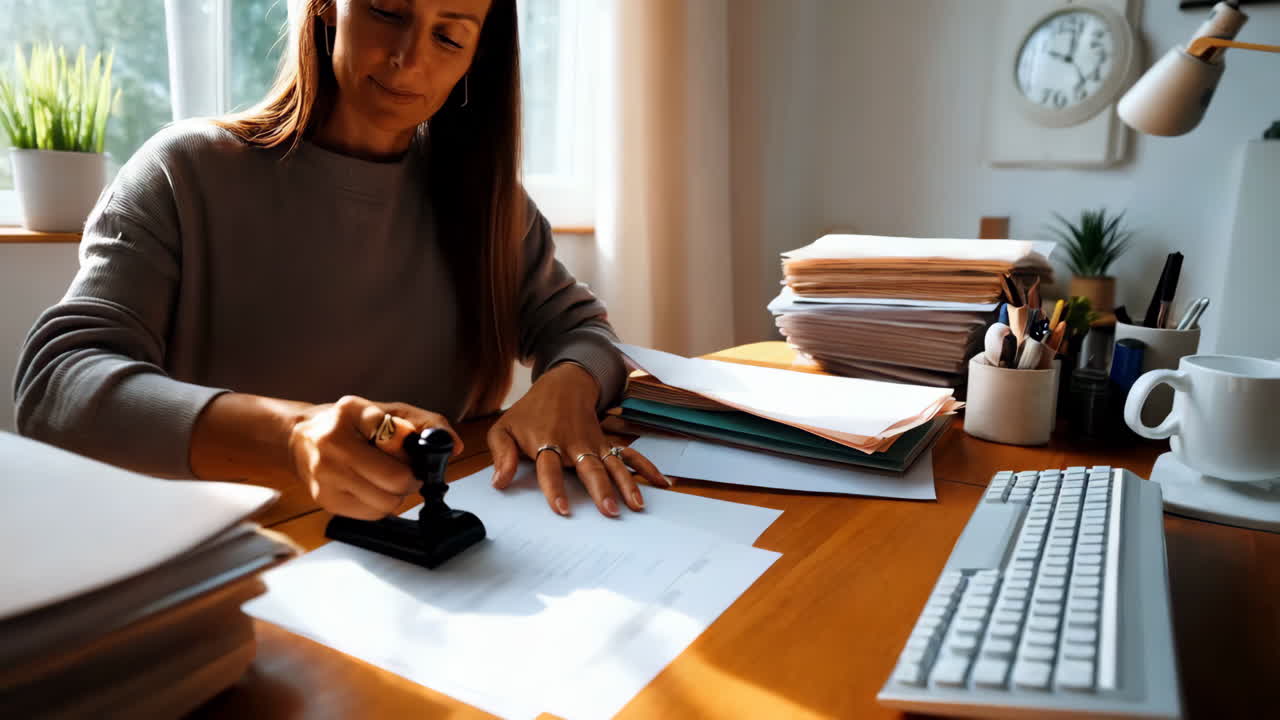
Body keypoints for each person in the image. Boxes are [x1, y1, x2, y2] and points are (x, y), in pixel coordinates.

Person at [13, 0, 667, 520]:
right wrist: (292, 437)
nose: (409, 59)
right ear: (329, 5)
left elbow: (585, 333)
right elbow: (55, 385)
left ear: (476, 57)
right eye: (387, 11)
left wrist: (564, 388)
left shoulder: (488, 203)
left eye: (450, 36)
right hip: (247, 564)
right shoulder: (185, 171)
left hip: (436, 565)